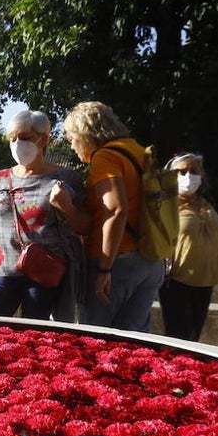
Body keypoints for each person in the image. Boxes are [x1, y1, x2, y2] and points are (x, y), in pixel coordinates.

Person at [0, 110, 88, 321]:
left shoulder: (66, 178)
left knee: (35, 336)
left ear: (44, 139)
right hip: (2, 272)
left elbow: (84, 226)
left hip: (43, 273)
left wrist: (67, 207)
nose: (17, 144)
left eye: (25, 137)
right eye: (12, 138)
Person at [65, 101, 165, 331]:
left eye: (72, 138)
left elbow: (116, 210)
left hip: (118, 262)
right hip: (150, 259)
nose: (72, 146)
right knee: (135, 343)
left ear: (85, 133)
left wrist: (104, 268)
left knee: (97, 339)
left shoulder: (106, 157)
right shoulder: (140, 152)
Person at [157, 153, 218, 341]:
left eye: (193, 171)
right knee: (178, 336)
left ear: (201, 174)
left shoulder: (206, 203)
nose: (188, 176)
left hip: (205, 280)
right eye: (181, 171)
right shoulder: (167, 204)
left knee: (194, 336)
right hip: (177, 281)